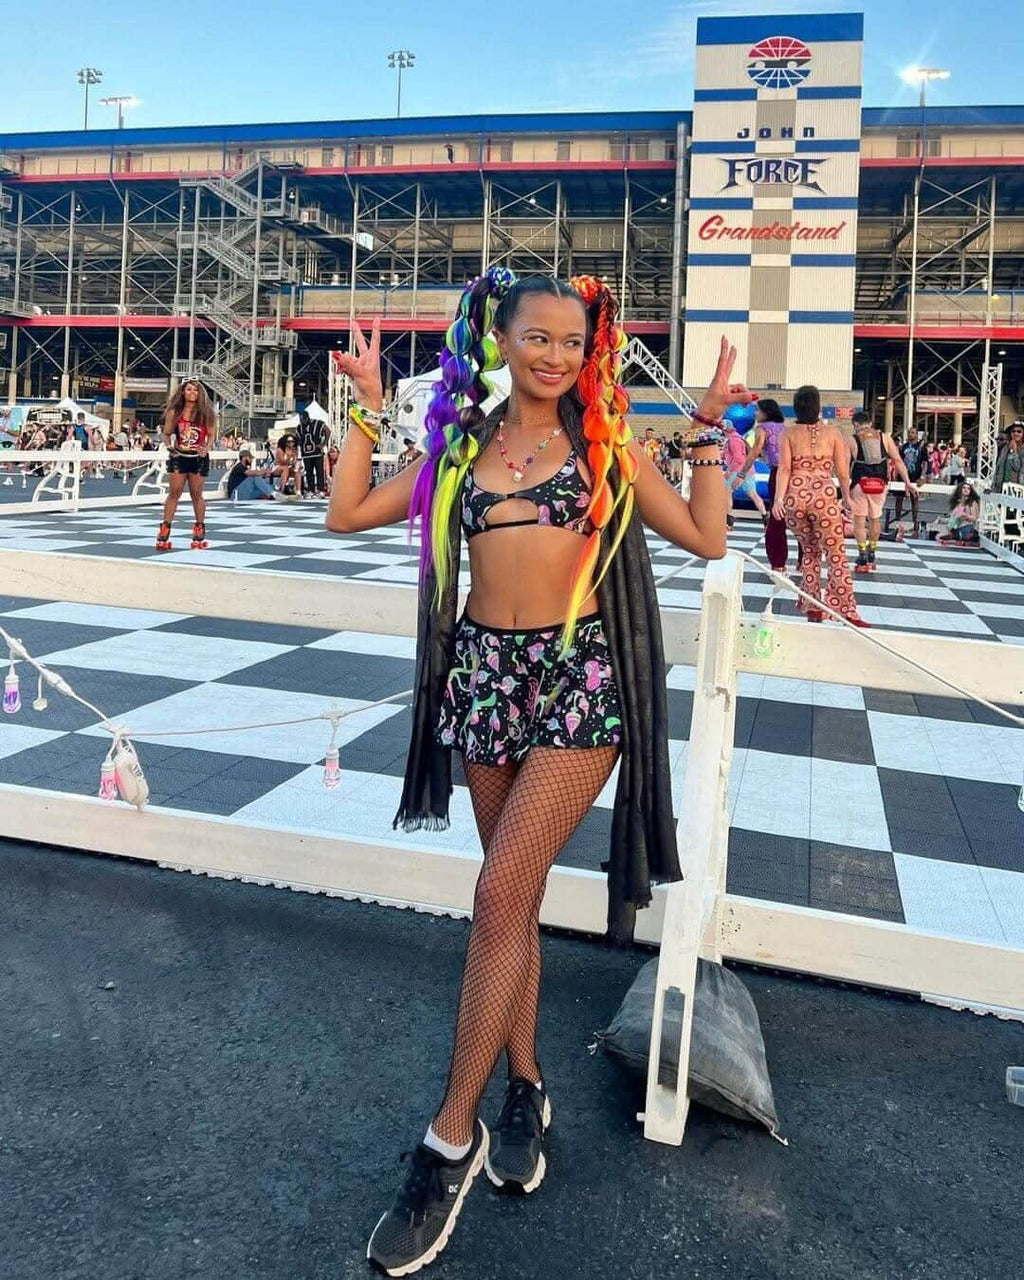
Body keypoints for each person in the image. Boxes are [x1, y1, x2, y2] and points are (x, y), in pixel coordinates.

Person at [327, 268, 749, 1276]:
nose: (555, 354)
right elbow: (347, 514)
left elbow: (704, 535)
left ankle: (448, 1139)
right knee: (506, 910)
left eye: (572, 338)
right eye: (537, 336)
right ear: (501, 338)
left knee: (499, 888)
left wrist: (704, 429)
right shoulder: (461, 449)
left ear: (589, 347)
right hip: (482, 680)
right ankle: (526, 1082)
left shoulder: (606, 447)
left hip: (580, 684)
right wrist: (364, 408)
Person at [772, 386, 868, 626]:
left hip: (795, 494)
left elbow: (784, 468)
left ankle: (812, 604)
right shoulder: (833, 434)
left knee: (810, 553)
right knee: (835, 554)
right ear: (818, 406)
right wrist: (846, 497)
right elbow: (843, 472)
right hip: (823, 495)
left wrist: (778, 499)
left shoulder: (788, 434)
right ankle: (845, 609)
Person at [848, 411, 917, 573]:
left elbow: (844, 469)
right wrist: (907, 482)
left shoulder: (851, 440)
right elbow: (898, 460)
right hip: (879, 485)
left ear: (855, 424)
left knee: (858, 521)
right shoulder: (884, 437)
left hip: (859, 484)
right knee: (875, 519)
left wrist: (845, 492)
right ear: (870, 423)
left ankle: (862, 554)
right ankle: (872, 552)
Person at [155, 379, 215, 551]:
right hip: (179, 455)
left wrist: (207, 448)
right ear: (183, 392)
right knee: (174, 492)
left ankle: (199, 527)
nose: (192, 393)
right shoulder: (174, 412)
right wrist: (169, 446)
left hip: (198, 457)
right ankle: (165, 527)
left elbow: (211, 435)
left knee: (197, 494)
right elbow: (166, 434)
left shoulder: (206, 413)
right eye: (189, 390)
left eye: (196, 390)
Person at [737, 399, 789, 571]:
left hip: (777, 473)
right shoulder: (786, 427)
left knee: (776, 518)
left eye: (757, 410)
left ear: (766, 413)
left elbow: (753, 453)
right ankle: (803, 560)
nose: (754, 413)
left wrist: (742, 473)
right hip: (794, 474)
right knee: (796, 516)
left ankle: (778, 562)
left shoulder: (762, 429)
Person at [722, 417, 767, 523]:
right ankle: (765, 515)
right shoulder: (738, 438)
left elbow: (738, 459)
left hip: (737, 470)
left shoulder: (733, 440)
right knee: (753, 493)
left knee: (727, 492)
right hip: (748, 470)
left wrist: (729, 470)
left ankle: (728, 517)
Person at [894, 424, 928, 532]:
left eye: (912, 432)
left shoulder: (921, 448)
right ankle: (897, 521)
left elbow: (925, 463)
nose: (910, 434)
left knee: (915, 499)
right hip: (903, 476)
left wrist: (922, 476)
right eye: (909, 432)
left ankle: (915, 522)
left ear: (917, 434)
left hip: (915, 475)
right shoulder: (903, 447)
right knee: (899, 498)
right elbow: (898, 462)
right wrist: (896, 475)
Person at [298, 409, 329, 497]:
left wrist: (324, 443)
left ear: (308, 418)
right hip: (306, 453)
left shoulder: (317, 423)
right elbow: (298, 439)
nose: (303, 422)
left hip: (317, 452)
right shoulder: (299, 427)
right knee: (309, 472)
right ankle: (311, 490)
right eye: (301, 420)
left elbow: (327, 430)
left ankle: (321, 490)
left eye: (304, 419)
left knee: (319, 471)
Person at [993, 421, 1024, 492]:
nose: (1015, 433)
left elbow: (1017, 467)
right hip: (1002, 487)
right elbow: (998, 468)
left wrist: (1013, 451)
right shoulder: (1005, 448)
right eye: (1013, 431)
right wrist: (993, 486)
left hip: (1018, 489)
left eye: (1019, 431)